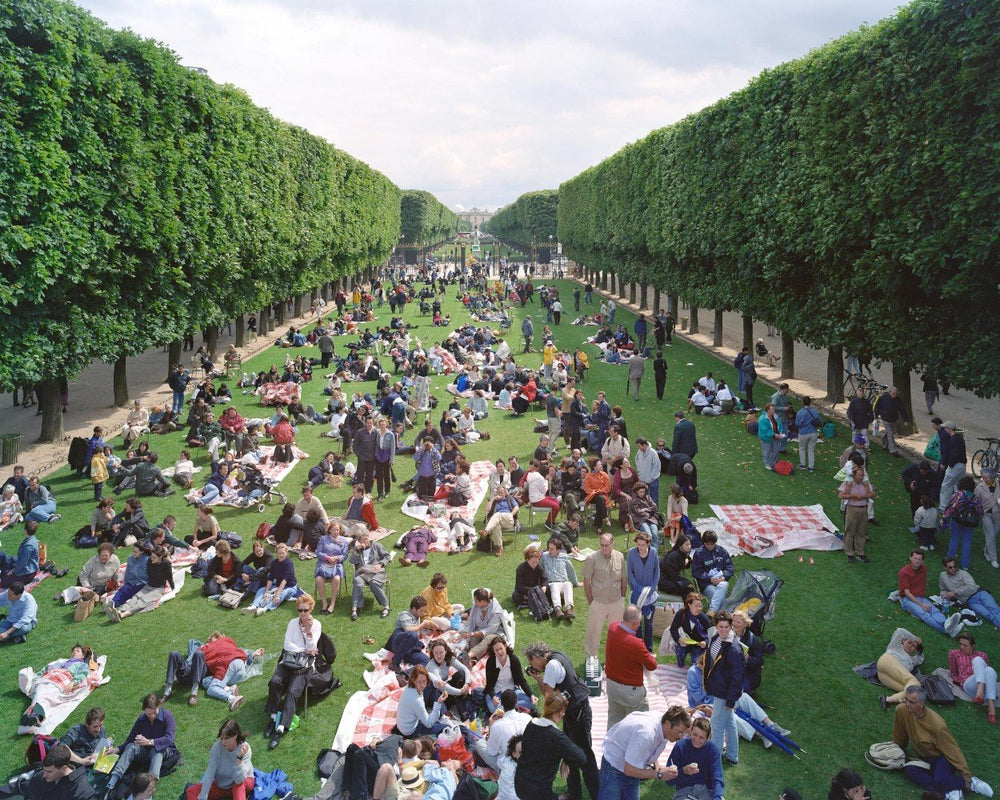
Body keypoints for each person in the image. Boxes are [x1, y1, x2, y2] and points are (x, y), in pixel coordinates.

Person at [523, 641, 600, 800]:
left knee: (585, 757)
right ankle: (574, 794)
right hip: (575, 711)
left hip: (577, 713)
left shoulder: (551, 666)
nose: (533, 665)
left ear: (537, 657)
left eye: (532, 662)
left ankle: (598, 795)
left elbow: (550, 699)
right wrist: (539, 679)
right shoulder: (557, 656)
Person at [892, 684, 993, 798]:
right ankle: (949, 791)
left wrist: (966, 775)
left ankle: (969, 784)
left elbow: (952, 749)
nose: (907, 704)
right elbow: (899, 735)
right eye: (906, 700)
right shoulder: (901, 711)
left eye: (911, 702)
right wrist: (897, 751)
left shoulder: (937, 725)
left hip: (942, 758)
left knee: (939, 781)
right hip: (924, 758)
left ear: (921, 704)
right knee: (910, 771)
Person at [264, 594, 333, 750]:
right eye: (300, 610)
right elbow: (287, 645)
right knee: (275, 682)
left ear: (311, 609)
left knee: (293, 692)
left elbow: (312, 647)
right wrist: (304, 650)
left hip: (304, 665)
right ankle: (273, 717)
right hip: (288, 661)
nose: (302, 614)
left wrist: (308, 634)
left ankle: (281, 728)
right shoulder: (292, 623)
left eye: (305, 610)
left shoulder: (316, 625)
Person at [598, 706, 691, 800]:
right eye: (679, 732)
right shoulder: (646, 735)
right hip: (614, 766)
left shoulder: (664, 724)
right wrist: (659, 774)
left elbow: (652, 746)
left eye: (683, 733)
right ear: (667, 724)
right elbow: (629, 770)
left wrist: (657, 765)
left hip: (632, 765)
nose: (681, 737)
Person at [514, 693, 588, 800]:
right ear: (558, 713)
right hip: (539, 792)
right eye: (563, 711)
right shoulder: (557, 737)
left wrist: (566, 758)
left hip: (520, 783)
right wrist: (567, 758)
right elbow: (581, 758)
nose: (563, 714)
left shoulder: (531, 725)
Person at [103, 694, 178, 799]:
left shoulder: (167, 716)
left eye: (154, 713)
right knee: (131, 747)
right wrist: (116, 749)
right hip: (145, 750)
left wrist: (150, 742)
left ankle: (149, 789)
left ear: (159, 706)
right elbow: (130, 739)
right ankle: (112, 783)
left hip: (164, 749)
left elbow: (169, 738)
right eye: (148, 714)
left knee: (157, 751)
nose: (151, 716)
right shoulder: (142, 719)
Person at [604, 605, 659, 729]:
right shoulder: (636, 644)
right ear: (635, 624)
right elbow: (652, 665)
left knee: (614, 724)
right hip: (631, 692)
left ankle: (611, 747)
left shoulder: (612, 628)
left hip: (612, 686)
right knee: (641, 726)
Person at [702, 610, 745, 766]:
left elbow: (737, 677)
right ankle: (732, 756)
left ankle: (714, 760)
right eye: (721, 627)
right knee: (729, 723)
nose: (724, 630)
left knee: (717, 725)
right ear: (716, 626)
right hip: (720, 689)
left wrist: (730, 700)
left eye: (727, 627)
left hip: (725, 694)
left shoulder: (733, 648)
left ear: (731, 626)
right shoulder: (716, 638)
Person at [899, 550, 963, 638]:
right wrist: (921, 604)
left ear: (922, 561)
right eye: (915, 558)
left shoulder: (923, 569)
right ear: (910, 558)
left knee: (934, 610)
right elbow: (907, 593)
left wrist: (922, 602)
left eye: (919, 559)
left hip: (920, 597)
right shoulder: (904, 572)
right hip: (907, 599)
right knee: (924, 614)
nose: (917, 561)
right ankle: (947, 630)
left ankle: (947, 623)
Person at [582, 533, 627, 661]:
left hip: (616, 602)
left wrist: (623, 597)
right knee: (593, 632)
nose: (604, 548)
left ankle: (613, 660)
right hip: (598, 602)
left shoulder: (620, 556)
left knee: (616, 634)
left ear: (612, 544)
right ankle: (591, 659)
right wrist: (591, 601)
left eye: (607, 545)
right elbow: (586, 581)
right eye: (602, 545)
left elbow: (624, 578)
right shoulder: (592, 558)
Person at [185, 720, 254, 800]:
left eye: (227, 738)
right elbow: (209, 774)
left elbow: (239, 779)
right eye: (221, 738)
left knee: (238, 785)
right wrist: (203, 796)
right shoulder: (216, 748)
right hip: (222, 786)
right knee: (191, 791)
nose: (223, 742)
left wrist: (239, 758)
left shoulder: (245, 749)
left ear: (235, 736)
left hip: (242, 783)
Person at [106, 546, 174, 623]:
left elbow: (169, 577)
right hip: (148, 585)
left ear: (160, 557)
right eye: (151, 556)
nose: (151, 558)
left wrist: (173, 588)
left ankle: (122, 615)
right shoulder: (149, 561)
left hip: (158, 588)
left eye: (154, 557)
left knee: (143, 602)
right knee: (136, 598)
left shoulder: (166, 563)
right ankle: (119, 611)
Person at [0, 744, 94, 800]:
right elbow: (19, 787)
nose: (44, 775)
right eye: (44, 770)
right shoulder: (42, 777)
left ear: (64, 768)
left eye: (49, 771)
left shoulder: (82, 792)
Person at [663, 716, 725, 800]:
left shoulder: (712, 749)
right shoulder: (680, 746)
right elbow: (669, 781)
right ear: (690, 731)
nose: (696, 739)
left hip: (707, 791)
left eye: (701, 737)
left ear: (708, 738)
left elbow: (717, 777)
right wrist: (684, 771)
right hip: (685, 791)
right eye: (694, 734)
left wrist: (717, 797)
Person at [476, 689, 531, 772]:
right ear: (516, 702)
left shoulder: (498, 726)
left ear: (501, 704)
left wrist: (491, 726)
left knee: (479, 744)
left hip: (507, 769)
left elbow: (492, 752)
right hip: (528, 762)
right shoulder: (528, 718)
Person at [939, 556, 1000, 629]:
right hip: (970, 601)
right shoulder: (943, 576)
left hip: (980, 593)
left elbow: (972, 587)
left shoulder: (963, 574)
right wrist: (944, 594)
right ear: (945, 568)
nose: (953, 569)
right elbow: (942, 589)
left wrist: (955, 592)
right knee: (987, 615)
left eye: (954, 566)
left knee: (994, 609)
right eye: (950, 567)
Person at [949, 632, 997, 725]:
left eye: (965, 645)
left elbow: (988, 674)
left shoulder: (983, 655)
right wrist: (959, 681)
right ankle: (981, 694)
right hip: (969, 685)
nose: (961, 647)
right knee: (978, 660)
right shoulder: (954, 653)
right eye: (960, 644)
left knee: (988, 669)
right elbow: (953, 673)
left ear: (973, 646)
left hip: (984, 686)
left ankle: (990, 706)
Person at [241, 543, 297, 617]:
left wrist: (277, 594)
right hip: (277, 585)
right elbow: (271, 578)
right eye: (279, 553)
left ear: (286, 553)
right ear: (276, 553)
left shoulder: (289, 563)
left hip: (290, 587)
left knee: (281, 594)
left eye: (283, 553)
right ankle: (254, 606)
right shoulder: (274, 563)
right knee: (262, 589)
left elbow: (284, 580)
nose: (281, 555)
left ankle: (265, 609)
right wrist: (266, 591)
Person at [348, 530, 391, 621]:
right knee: (357, 581)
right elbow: (351, 561)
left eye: (366, 539)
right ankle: (355, 609)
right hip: (364, 573)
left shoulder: (376, 545)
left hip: (377, 571)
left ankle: (386, 606)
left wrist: (380, 564)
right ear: (359, 541)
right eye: (363, 540)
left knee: (374, 583)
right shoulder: (357, 549)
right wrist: (357, 550)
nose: (365, 541)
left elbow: (387, 556)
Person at [626, 532, 659, 650]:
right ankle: (638, 647)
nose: (641, 547)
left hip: (650, 595)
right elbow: (630, 573)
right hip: (636, 594)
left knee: (649, 623)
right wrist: (638, 589)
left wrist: (652, 589)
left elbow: (657, 573)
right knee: (637, 623)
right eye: (639, 544)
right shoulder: (631, 553)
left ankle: (648, 649)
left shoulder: (654, 552)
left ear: (648, 544)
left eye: (643, 545)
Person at [876, 627, 924, 709]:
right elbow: (900, 631)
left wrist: (920, 650)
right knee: (914, 682)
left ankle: (887, 699)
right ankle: (892, 699)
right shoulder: (896, 647)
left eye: (913, 646)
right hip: (887, 661)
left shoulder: (912, 660)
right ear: (903, 641)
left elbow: (920, 659)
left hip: (883, 676)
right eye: (909, 642)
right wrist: (914, 638)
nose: (910, 646)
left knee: (913, 691)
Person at [484, 638, 536, 714]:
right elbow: (489, 685)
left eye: (501, 648)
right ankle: (513, 709)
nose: (499, 652)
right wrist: (493, 697)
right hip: (496, 693)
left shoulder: (513, 660)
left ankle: (506, 709)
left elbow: (521, 680)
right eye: (496, 650)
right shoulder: (490, 662)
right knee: (493, 709)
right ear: (493, 651)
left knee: (532, 703)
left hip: (512, 692)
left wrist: (531, 695)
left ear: (505, 646)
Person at [395, 666, 449, 738]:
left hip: (403, 724)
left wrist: (436, 681)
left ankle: (440, 717)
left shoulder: (410, 686)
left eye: (424, 681)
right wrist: (438, 703)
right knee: (446, 727)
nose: (423, 685)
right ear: (414, 680)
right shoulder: (417, 700)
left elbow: (429, 674)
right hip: (410, 731)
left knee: (433, 686)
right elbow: (428, 724)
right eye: (420, 682)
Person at [941, 475, 982, 570]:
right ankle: (965, 565)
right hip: (970, 523)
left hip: (957, 521)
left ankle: (950, 562)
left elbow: (950, 508)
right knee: (966, 542)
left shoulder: (957, 495)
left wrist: (944, 520)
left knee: (954, 540)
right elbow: (980, 511)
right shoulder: (975, 498)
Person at [691, 530, 734, 612]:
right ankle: (727, 611)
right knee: (719, 596)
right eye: (707, 544)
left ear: (715, 542)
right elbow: (696, 572)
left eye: (712, 544)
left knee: (723, 585)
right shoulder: (698, 554)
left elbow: (730, 567)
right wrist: (709, 578)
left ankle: (712, 611)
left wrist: (723, 577)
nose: (710, 546)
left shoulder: (722, 551)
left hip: (721, 582)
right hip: (706, 584)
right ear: (704, 542)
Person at [314, 522, 351, 614]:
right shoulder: (323, 539)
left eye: (338, 530)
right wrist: (327, 558)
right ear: (329, 530)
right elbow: (318, 553)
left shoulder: (343, 541)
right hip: (323, 564)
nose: (336, 532)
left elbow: (345, 555)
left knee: (337, 579)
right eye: (334, 530)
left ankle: (332, 603)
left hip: (337, 565)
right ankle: (324, 603)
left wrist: (337, 558)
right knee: (319, 579)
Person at [839, 465, 875, 563]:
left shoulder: (865, 484)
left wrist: (863, 496)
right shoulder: (848, 483)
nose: (861, 477)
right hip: (852, 509)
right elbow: (841, 495)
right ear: (854, 475)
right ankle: (849, 552)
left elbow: (873, 493)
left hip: (863, 509)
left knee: (861, 531)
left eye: (862, 475)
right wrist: (853, 495)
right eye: (859, 475)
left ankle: (860, 552)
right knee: (850, 531)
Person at [540, 537, 579, 621]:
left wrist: (576, 582)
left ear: (558, 550)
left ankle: (569, 609)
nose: (549, 550)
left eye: (552, 549)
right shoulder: (544, 556)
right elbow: (540, 570)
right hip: (552, 583)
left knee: (568, 584)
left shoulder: (564, 557)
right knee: (554, 585)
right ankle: (557, 609)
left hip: (563, 582)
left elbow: (571, 571)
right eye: (549, 548)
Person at [669, 592, 710, 668]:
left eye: (700, 606)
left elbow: (711, 635)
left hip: (698, 646)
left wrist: (705, 642)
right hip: (685, 643)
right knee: (680, 652)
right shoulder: (682, 613)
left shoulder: (704, 619)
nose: (699, 608)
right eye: (696, 606)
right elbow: (673, 629)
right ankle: (680, 666)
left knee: (695, 665)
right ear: (689, 605)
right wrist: (679, 639)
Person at [973, 468, 999, 568]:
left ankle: (986, 551)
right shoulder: (980, 487)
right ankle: (994, 559)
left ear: (992, 477)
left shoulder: (998, 485)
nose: (984, 480)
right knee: (991, 535)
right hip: (986, 515)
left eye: (986, 478)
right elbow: (976, 501)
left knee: (992, 536)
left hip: (997, 515)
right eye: (983, 477)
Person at [874, 385, 908, 457]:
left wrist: (905, 420)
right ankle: (893, 450)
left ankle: (884, 443)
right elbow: (878, 406)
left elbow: (902, 409)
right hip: (885, 419)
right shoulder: (883, 397)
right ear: (889, 392)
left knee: (890, 433)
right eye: (893, 393)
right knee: (890, 433)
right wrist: (876, 415)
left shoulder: (898, 400)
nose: (895, 395)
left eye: (896, 393)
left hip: (894, 419)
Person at [513, 543, 546, 609]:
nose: (535, 564)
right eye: (533, 562)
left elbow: (545, 578)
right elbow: (519, 585)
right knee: (516, 596)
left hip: (536, 590)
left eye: (536, 562)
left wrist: (544, 586)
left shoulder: (538, 566)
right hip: (525, 592)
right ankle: (534, 602)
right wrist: (531, 590)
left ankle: (529, 603)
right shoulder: (520, 568)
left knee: (549, 591)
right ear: (527, 560)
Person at [795, 397, 821, 472]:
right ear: (810, 402)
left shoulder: (800, 412)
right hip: (813, 433)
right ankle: (811, 467)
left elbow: (797, 424)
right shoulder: (815, 412)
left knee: (802, 448)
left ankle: (802, 464)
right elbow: (818, 421)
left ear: (803, 402)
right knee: (811, 449)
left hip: (803, 433)